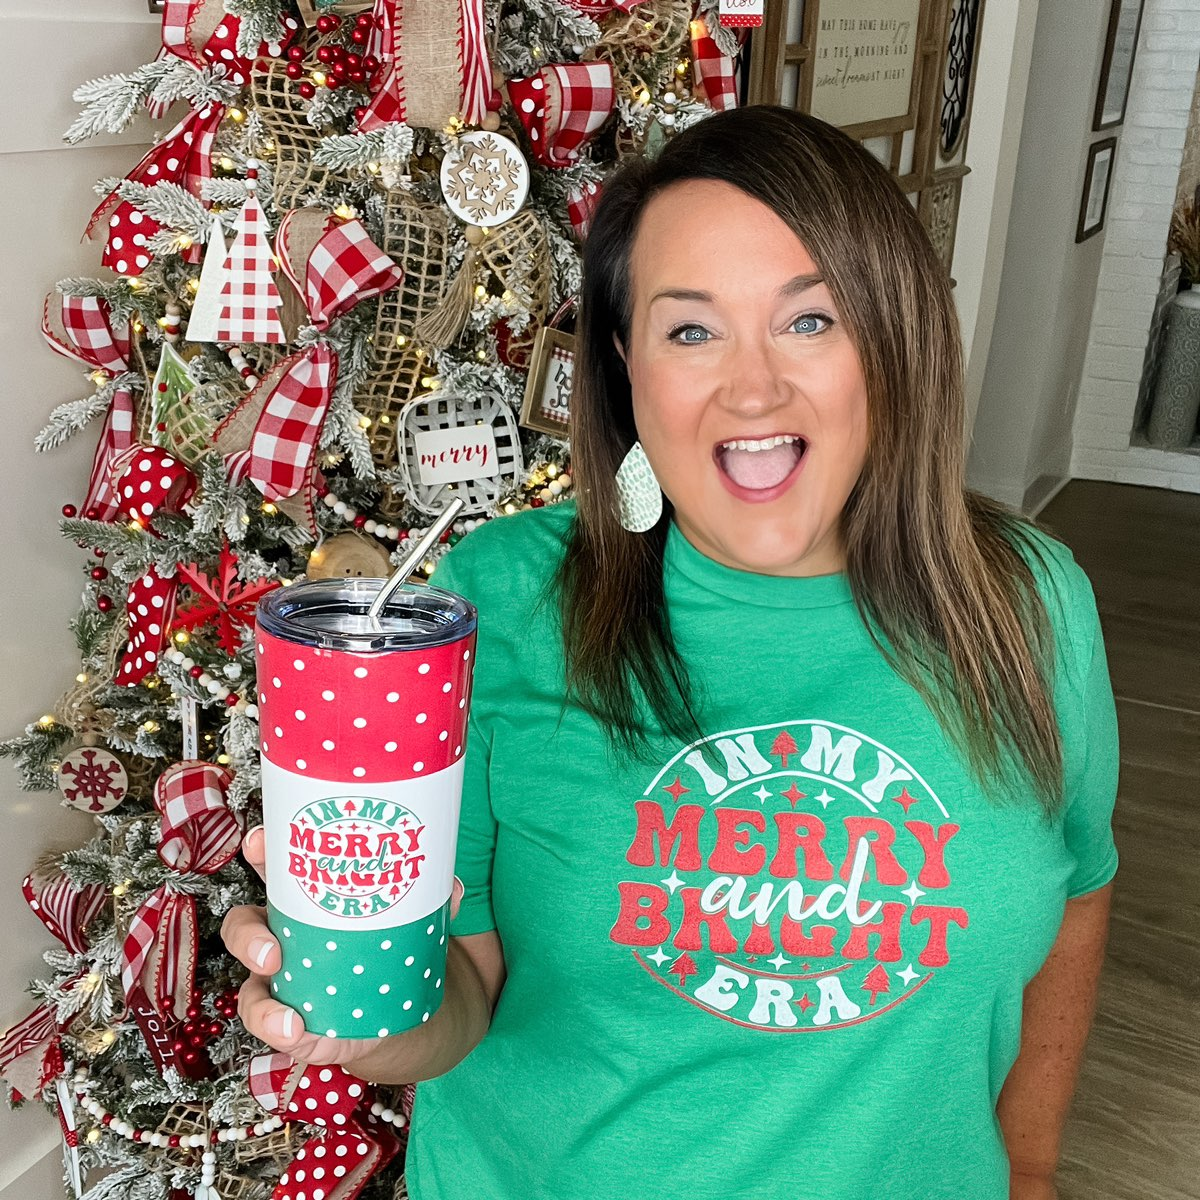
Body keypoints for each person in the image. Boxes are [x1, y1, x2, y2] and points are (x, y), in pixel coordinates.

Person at [222, 106, 1119, 1200]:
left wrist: (1026, 1162)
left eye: (812, 321)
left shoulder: (1027, 603)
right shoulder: (495, 602)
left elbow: (1074, 891)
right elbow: (465, 999)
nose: (753, 392)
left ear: (895, 338)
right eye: (691, 331)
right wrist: (357, 1009)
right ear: (627, 363)